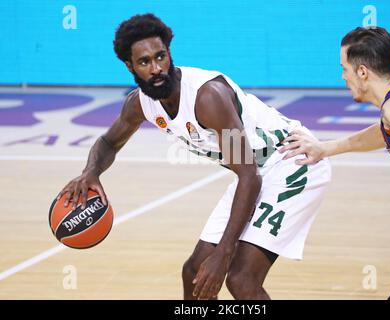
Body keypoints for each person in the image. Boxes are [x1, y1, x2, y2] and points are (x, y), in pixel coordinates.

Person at [57, 13, 331, 300]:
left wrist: (224, 254)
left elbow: (249, 176)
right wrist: (91, 172)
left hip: (293, 161)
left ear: (169, 52)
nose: (156, 68)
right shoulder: (140, 104)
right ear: (130, 66)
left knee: (239, 279)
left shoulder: (207, 97)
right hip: (254, 172)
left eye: (160, 56)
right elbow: (108, 142)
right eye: (144, 62)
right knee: (194, 273)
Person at [280, 26, 390, 299]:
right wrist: (326, 148)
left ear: (363, 72)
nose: (343, 77)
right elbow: (387, 131)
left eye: (344, 68)